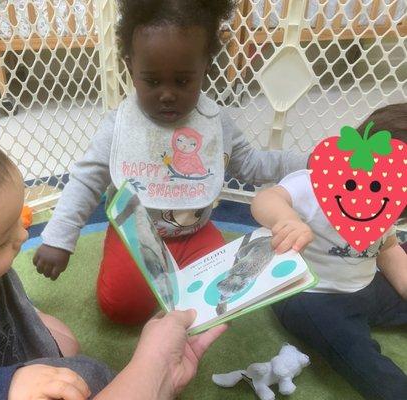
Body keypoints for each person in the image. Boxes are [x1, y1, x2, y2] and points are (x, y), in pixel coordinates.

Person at [0, 121, 226, 400]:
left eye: (18, 220)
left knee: (65, 342)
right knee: (76, 380)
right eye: (1, 241)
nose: (23, 236)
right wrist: (5, 387)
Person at [33, 0, 309, 325]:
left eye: (182, 81)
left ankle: (182, 282)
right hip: (135, 234)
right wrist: (59, 236)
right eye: (151, 81)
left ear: (205, 66)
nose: (167, 94)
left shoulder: (214, 122)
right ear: (130, 66)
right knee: (121, 310)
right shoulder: (121, 125)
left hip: (196, 231)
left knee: (226, 298)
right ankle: (137, 268)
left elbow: (250, 165)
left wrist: (308, 160)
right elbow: (87, 178)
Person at [250, 103, 407, 400]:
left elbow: (388, 249)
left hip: (367, 286)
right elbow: (266, 199)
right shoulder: (312, 185)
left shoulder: (390, 201)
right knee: (354, 352)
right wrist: (286, 219)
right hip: (312, 296)